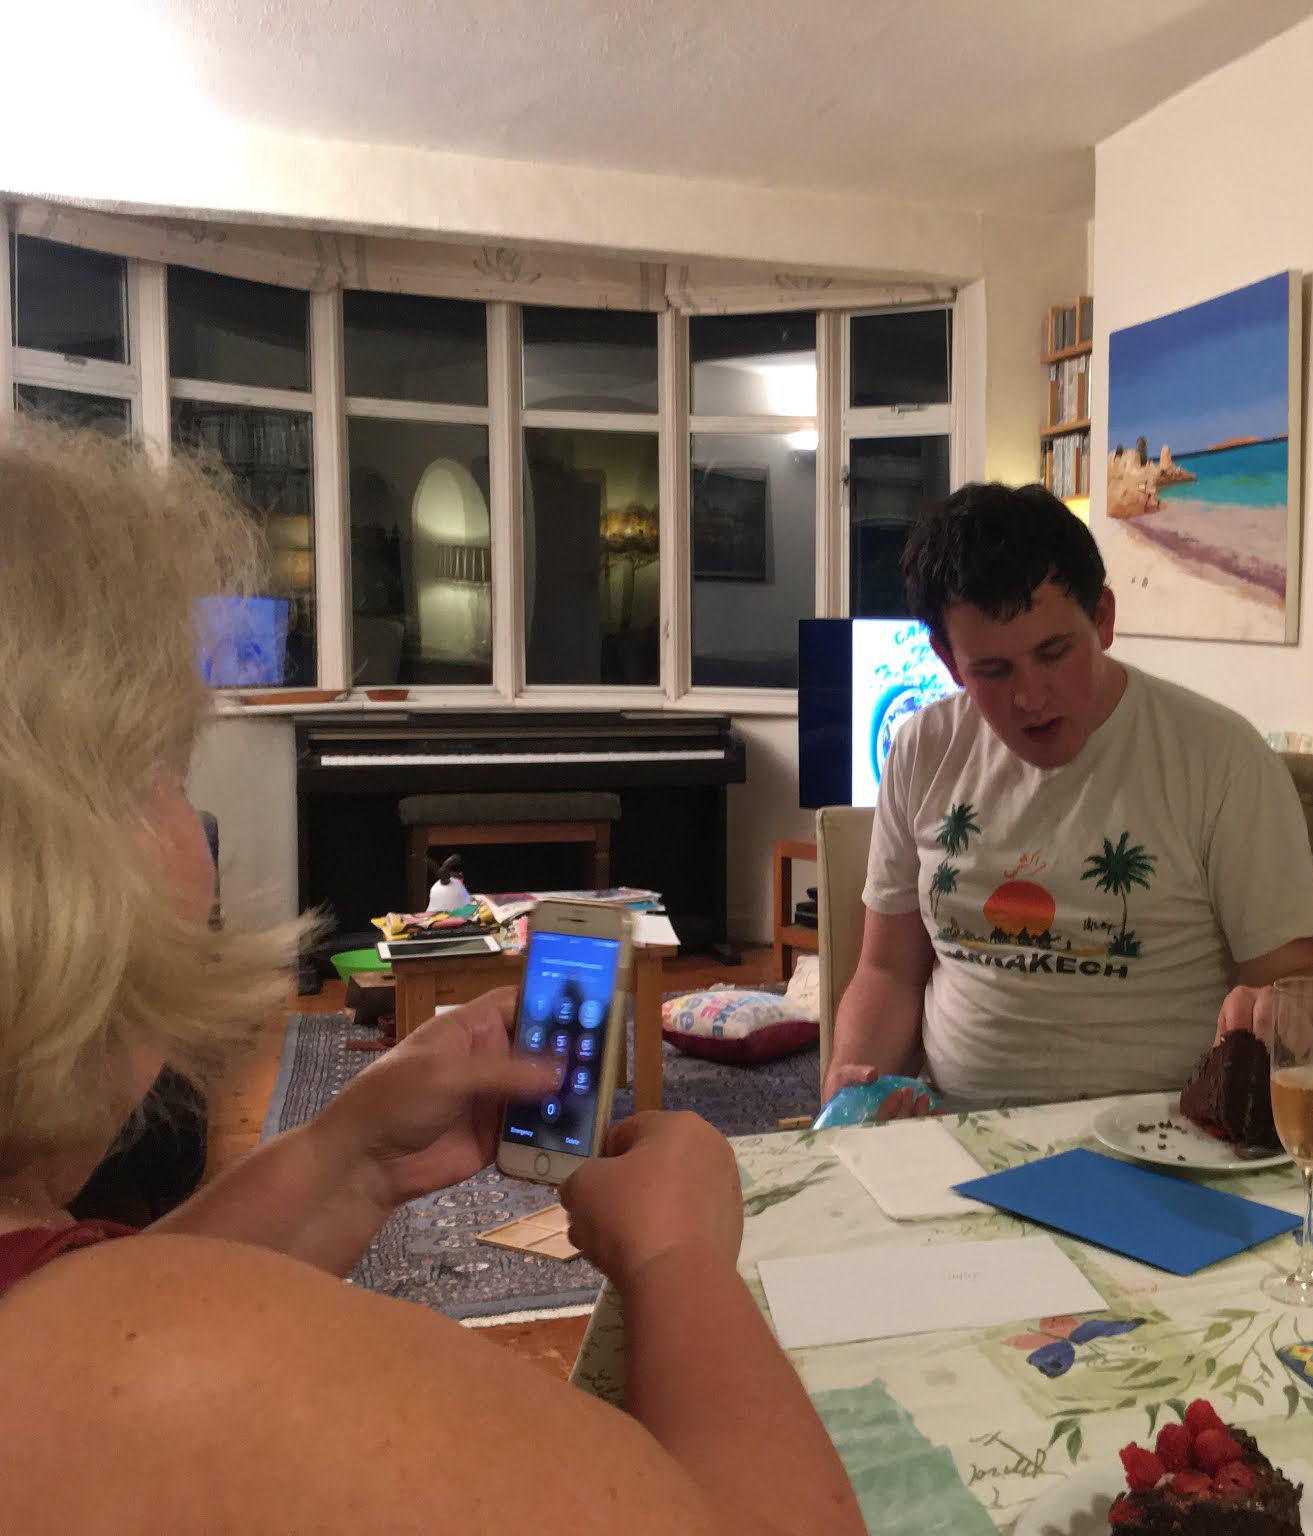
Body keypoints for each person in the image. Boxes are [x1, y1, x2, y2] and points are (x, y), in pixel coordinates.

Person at [0, 421, 863, 1535]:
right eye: (168, 772)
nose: (193, 828)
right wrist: (677, 1257)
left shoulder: (79, 1322)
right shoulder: (191, 1368)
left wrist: (348, 1157)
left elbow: (110, 1304)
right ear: (45, 858)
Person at [825, 482, 1313, 1114]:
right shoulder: (923, 749)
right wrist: (854, 1082)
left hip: (1163, 1133)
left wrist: (1277, 1010)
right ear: (949, 662)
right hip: (953, 1129)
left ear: (1104, 619)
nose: (1030, 698)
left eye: (1054, 653)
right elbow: (888, 972)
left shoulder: (1221, 758)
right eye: (993, 670)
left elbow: (1303, 981)